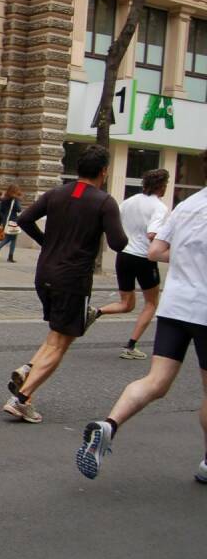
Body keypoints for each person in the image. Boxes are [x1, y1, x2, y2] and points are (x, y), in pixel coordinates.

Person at [75, 150, 207, 483]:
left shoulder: (186, 206)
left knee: (156, 381)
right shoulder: (165, 206)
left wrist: (189, 260)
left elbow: (158, 251)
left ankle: (109, 424)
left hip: (175, 306)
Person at [2, 145, 127, 423]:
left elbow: (23, 219)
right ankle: (21, 399)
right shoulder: (104, 202)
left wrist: (46, 242)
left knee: (59, 334)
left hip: (44, 273)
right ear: (104, 172)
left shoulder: (56, 193)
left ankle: (28, 368)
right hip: (73, 278)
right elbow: (119, 243)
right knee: (62, 343)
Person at [92, 168, 170, 360]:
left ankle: (96, 311)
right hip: (143, 258)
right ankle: (130, 346)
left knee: (126, 303)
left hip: (124, 255)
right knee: (151, 303)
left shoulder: (129, 201)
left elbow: (112, 220)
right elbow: (152, 234)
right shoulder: (159, 207)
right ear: (161, 186)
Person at [0, 185, 23, 262]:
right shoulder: (15, 199)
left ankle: (9, 256)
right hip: (13, 220)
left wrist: (4, 219)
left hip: (6, 220)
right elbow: (18, 209)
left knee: (12, 238)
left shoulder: (4, 199)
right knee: (10, 238)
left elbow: (0, 210)